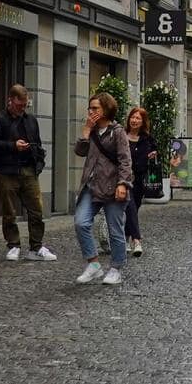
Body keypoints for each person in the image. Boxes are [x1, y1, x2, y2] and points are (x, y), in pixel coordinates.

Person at [0, 85, 54, 262]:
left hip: (29, 170)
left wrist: (38, 159)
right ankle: (13, 245)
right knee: (9, 211)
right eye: (19, 105)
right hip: (7, 170)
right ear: (11, 100)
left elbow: (37, 143)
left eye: (25, 105)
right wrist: (13, 146)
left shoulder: (30, 120)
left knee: (36, 210)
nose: (23, 108)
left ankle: (36, 247)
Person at [72, 91, 132, 286]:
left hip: (113, 187)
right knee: (81, 222)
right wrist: (86, 131)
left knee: (115, 230)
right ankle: (94, 264)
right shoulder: (91, 129)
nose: (91, 112)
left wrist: (123, 184)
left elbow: (125, 160)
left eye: (95, 108)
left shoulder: (118, 132)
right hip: (91, 185)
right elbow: (80, 151)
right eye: (90, 108)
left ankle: (116, 268)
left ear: (106, 109)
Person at [123, 106, 157, 258]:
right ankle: (137, 241)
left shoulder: (147, 138)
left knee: (134, 209)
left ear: (143, 122)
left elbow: (156, 151)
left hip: (140, 179)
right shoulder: (122, 136)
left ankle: (125, 238)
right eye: (133, 117)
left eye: (138, 118)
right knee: (129, 207)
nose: (134, 120)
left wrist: (154, 154)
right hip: (124, 178)